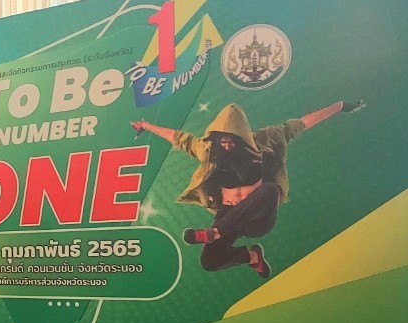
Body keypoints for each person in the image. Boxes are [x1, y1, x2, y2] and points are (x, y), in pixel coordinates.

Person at [132, 99, 363, 278]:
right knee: (209, 261)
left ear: (242, 137)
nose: (226, 146)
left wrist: (340, 106)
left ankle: (217, 232)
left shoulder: (268, 139)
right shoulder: (208, 150)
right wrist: (146, 125)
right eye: (222, 141)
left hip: (257, 219)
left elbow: (302, 123)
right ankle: (251, 256)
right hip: (228, 216)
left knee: (270, 190)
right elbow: (178, 138)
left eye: (232, 141)